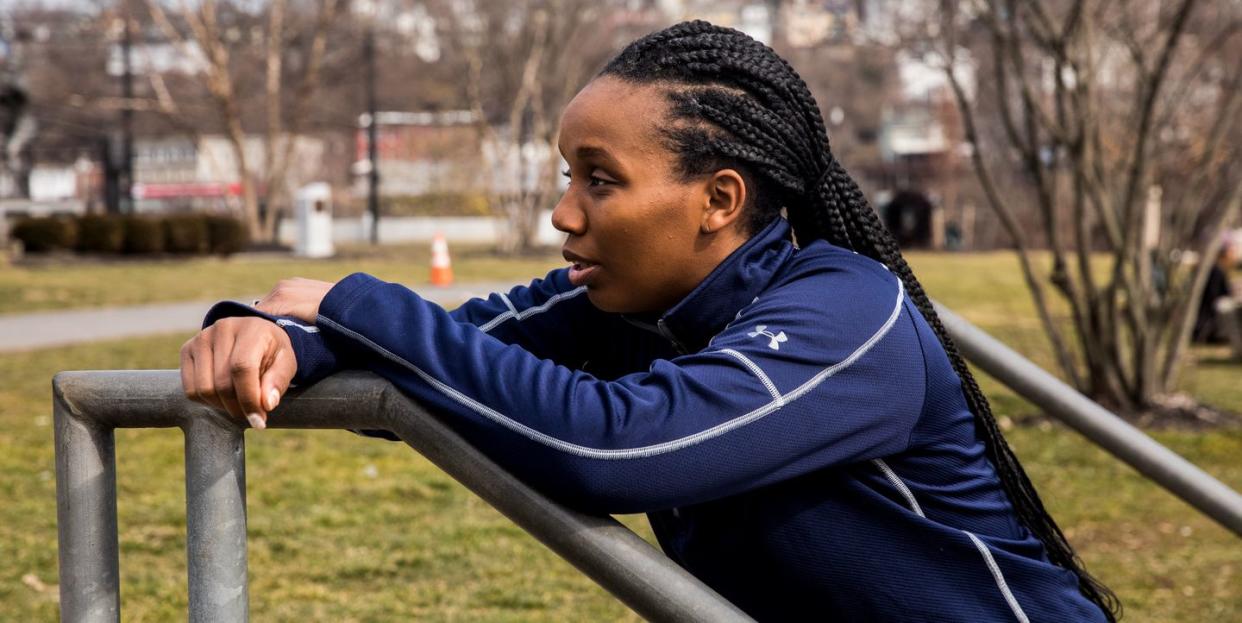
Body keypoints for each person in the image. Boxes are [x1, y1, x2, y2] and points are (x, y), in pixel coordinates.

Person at [180, 21, 1119, 622]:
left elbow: (619, 447)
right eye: (566, 176)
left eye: (601, 179)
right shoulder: (628, 303)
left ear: (718, 198)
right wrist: (276, 338)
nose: (565, 212)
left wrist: (353, 299)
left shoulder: (848, 309)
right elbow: (461, 341)